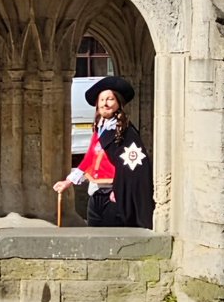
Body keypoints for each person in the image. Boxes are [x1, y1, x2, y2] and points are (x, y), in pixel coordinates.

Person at [53, 75, 154, 228]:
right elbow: (90, 159)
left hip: (113, 197)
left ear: (118, 103)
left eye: (110, 99)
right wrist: (68, 182)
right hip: (95, 194)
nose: (105, 104)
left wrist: (119, 192)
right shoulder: (99, 129)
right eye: (101, 100)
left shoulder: (127, 132)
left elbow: (135, 168)